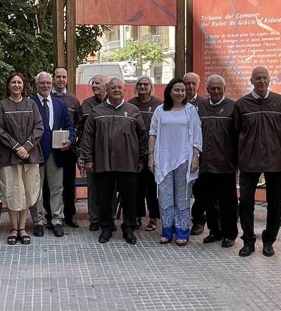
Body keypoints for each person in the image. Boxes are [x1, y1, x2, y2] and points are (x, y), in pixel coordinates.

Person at [81, 77, 146, 244]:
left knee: (129, 199)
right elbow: (87, 137)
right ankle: (106, 228)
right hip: (103, 163)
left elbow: (142, 136)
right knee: (104, 198)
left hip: (129, 163)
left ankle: (129, 229)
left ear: (124, 90)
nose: (116, 90)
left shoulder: (133, 111)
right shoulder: (97, 111)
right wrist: (87, 159)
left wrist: (141, 159)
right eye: (113, 88)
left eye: (119, 88)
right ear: (107, 90)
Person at [233, 67, 281, 257]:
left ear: (269, 80)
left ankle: (269, 240)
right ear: (251, 80)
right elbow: (236, 133)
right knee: (246, 202)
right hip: (249, 160)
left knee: (275, 203)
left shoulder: (279, 101)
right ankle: (248, 241)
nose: (261, 81)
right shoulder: (241, 104)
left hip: (275, 160)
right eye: (258, 78)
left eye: (264, 78)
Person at [148, 78, 202, 246]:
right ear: (169, 91)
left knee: (183, 197)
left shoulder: (190, 110)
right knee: (164, 197)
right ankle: (166, 231)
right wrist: (151, 156)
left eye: (183, 90)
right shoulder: (160, 110)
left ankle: (182, 232)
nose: (180, 93)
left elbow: (197, 135)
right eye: (177, 90)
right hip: (163, 159)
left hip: (184, 160)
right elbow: (152, 134)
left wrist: (195, 157)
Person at [0, 71, 44, 245]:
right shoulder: (1, 105)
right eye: (13, 82)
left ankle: (23, 228)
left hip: (30, 156)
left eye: (19, 82)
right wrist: (16, 147)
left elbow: (39, 127)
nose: (16, 85)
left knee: (28, 191)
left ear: (24, 85)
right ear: (8, 85)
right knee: (13, 192)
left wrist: (27, 147)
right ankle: (14, 228)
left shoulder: (31, 104)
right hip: (9, 156)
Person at [30, 72, 76, 237]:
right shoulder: (30, 102)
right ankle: (39, 222)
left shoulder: (60, 105)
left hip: (56, 153)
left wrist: (70, 140)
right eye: (41, 83)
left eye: (48, 83)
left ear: (52, 84)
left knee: (57, 188)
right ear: (36, 85)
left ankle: (57, 220)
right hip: (36, 152)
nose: (45, 86)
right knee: (37, 189)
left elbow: (70, 126)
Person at [196, 75, 238, 248]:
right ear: (207, 89)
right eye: (212, 88)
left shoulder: (233, 107)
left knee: (228, 203)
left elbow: (237, 135)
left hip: (226, 164)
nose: (215, 91)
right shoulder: (200, 108)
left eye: (218, 88)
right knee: (209, 201)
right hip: (206, 164)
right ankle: (214, 231)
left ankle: (229, 234)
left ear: (224, 89)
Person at [128, 76, 162, 232]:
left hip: (154, 152)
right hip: (134, 152)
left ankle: (153, 217)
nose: (142, 86)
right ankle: (137, 216)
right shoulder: (130, 104)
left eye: (145, 84)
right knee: (136, 187)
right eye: (140, 84)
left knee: (152, 187)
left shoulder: (159, 105)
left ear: (151, 86)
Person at [51, 67, 82, 228]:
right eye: (58, 77)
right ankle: (52, 216)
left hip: (68, 149)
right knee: (51, 184)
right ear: (53, 79)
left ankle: (69, 216)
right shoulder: (47, 97)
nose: (61, 80)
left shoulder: (73, 100)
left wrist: (72, 139)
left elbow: (78, 123)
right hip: (50, 148)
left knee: (69, 183)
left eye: (64, 77)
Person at [78, 74, 110, 232]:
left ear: (106, 85)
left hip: (110, 154)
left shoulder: (113, 102)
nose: (94, 86)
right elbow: (81, 131)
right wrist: (82, 155)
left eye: (98, 83)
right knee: (93, 188)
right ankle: (94, 219)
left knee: (110, 187)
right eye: (93, 83)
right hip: (91, 152)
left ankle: (108, 219)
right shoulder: (86, 104)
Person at [184, 72, 207, 236]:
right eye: (187, 83)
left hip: (200, 154)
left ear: (198, 85)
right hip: (180, 154)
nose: (190, 87)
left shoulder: (205, 104)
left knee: (200, 191)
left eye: (193, 83)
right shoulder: (175, 103)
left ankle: (198, 221)